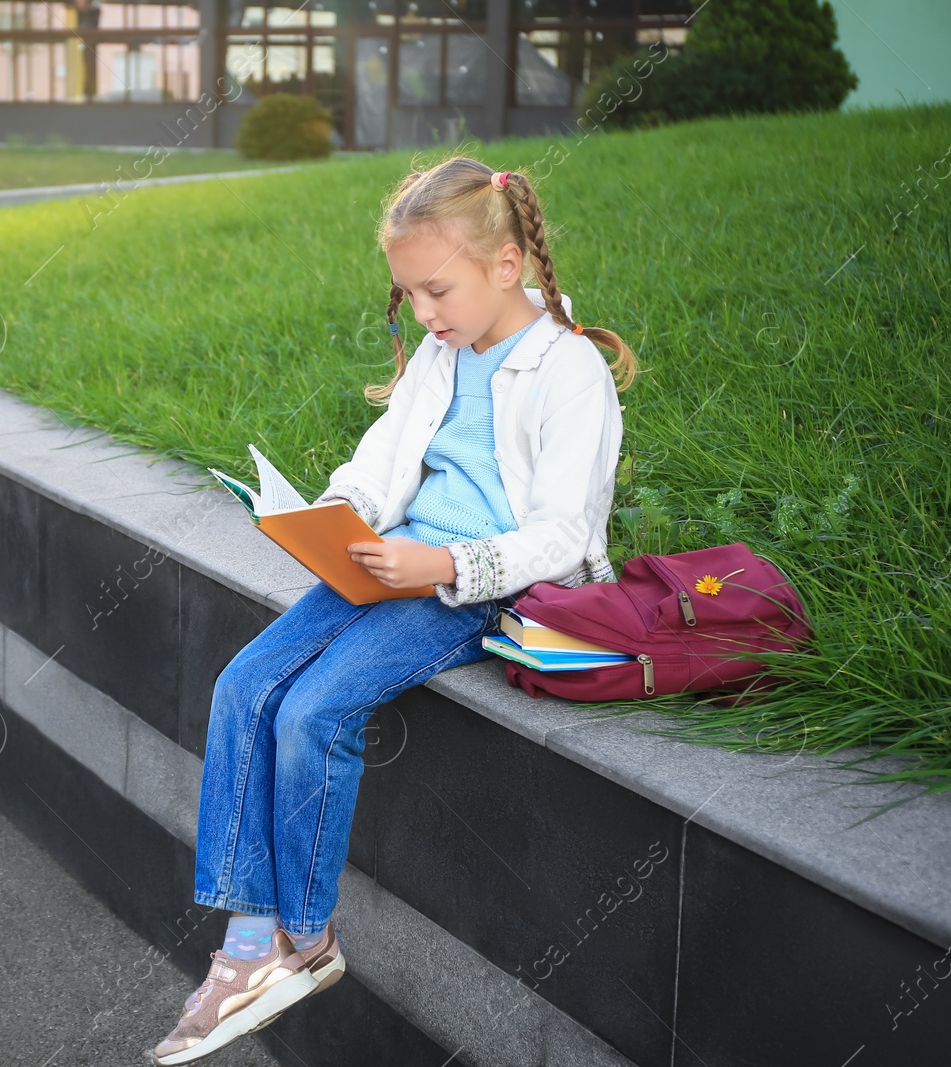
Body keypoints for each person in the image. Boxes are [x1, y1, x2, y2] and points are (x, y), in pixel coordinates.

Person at [151, 156, 639, 1065]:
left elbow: (566, 535)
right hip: (395, 558)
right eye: (410, 293)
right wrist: (339, 516)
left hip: (485, 589)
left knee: (314, 708)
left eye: (437, 289)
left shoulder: (568, 372)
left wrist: (442, 562)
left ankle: (302, 940)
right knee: (243, 683)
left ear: (506, 266)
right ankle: (247, 945)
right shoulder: (445, 354)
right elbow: (383, 460)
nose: (424, 313)